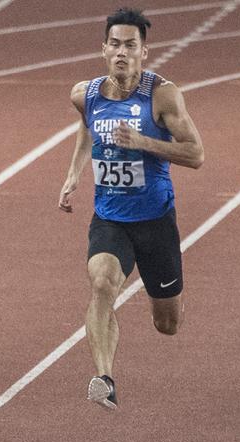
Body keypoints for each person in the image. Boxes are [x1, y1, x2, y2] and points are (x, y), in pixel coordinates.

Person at [58, 7, 204, 411]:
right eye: (115, 44)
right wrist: (73, 173)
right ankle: (104, 378)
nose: (122, 52)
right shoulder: (84, 94)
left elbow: (196, 154)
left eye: (130, 45)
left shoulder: (162, 96)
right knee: (102, 284)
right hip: (110, 219)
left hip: (155, 221)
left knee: (167, 324)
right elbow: (87, 125)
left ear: (144, 52)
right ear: (104, 49)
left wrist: (144, 143)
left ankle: (168, 299)